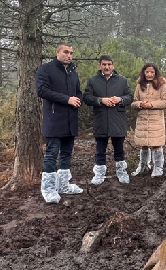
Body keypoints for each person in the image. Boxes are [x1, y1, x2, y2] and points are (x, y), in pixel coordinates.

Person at [35, 42, 83, 203]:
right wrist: (67, 99)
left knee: (67, 154)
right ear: (57, 52)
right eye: (66, 52)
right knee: (51, 154)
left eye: (71, 53)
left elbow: (78, 93)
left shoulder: (73, 72)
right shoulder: (45, 69)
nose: (69, 55)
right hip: (54, 119)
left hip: (71, 120)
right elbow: (41, 90)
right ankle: (48, 189)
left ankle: (63, 185)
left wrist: (78, 100)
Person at [82, 55, 133, 185]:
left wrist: (120, 99)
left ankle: (121, 172)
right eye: (104, 64)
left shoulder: (122, 80)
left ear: (113, 65)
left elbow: (130, 97)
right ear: (100, 65)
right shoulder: (92, 80)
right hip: (101, 119)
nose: (107, 67)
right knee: (100, 149)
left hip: (118, 119)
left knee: (119, 149)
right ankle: (99, 174)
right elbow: (87, 97)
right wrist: (100, 100)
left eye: (109, 64)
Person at [131, 63, 166, 177]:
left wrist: (151, 104)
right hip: (142, 120)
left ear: (155, 73)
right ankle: (143, 166)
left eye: (152, 72)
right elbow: (134, 102)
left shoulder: (162, 85)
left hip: (156, 121)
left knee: (156, 144)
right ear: (143, 73)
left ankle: (158, 168)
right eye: (147, 72)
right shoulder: (139, 86)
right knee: (143, 144)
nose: (149, 74)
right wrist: (140, 104)